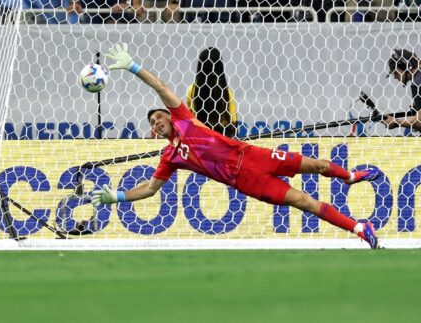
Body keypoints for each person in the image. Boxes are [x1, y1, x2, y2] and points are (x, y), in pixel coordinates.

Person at [92, 43, 383, 249]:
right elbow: (150, 189)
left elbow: (160, 87)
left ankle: (350, 177)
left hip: (253, 155)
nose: (156, 122)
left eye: (159, 116)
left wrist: (132, 67)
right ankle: (359, 228)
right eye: (153, 123)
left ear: (169, 115)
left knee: (317, 165)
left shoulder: (184, 118)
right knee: (304, 202)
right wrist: (117, 197)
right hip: (244, 180)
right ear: (155, 133)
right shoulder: (170, 156)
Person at [383, 49, 421, 131]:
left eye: (396, 72)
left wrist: (396, 122)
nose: (395, 77)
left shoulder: (417, 83)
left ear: (405, 65)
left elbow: (419, 122)